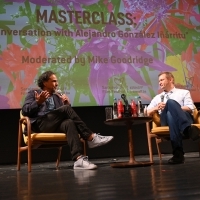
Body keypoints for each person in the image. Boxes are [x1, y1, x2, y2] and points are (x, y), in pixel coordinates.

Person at [22, 70, 113, 170]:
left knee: (69, 123)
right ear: (45, 82)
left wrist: (66, 104)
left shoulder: (56, 97)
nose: (57, 84)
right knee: (66, 110)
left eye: (56, 81)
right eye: (54, 81)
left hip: (53, 126)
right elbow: (25, 111)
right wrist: (38, 102)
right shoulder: (34, 93)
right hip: (38, 126)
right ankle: (91, 137)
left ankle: (78, 159)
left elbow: (64, 115)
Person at [147, 71, 200, 164]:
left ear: (170, 80)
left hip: (184, 116)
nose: (160, 82)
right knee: (169, 107)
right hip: (164, 120)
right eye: (159, 81)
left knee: (170, 111)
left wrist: (174, 108)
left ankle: (178, 155)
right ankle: (187, 129)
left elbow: (190, 108)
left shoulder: (184, 92)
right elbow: (147, 112)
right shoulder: (157, 97)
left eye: (162, 80)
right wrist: (157, 107)